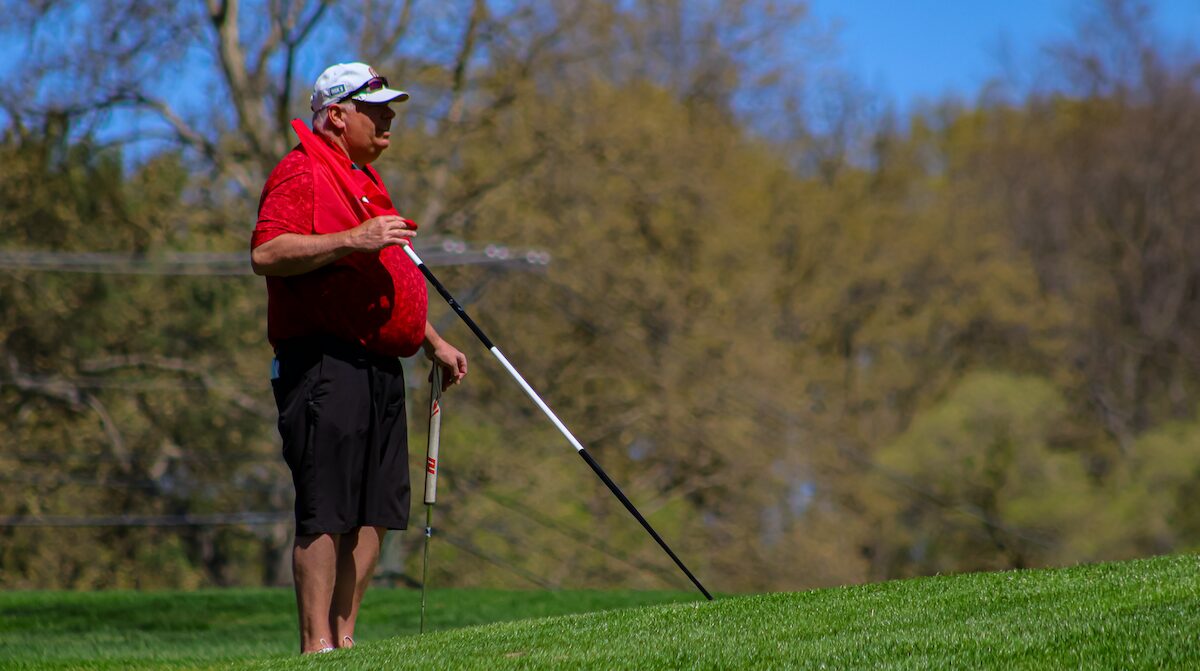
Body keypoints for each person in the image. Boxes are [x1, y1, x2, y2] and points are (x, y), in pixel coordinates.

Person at [250, 62, 468, 654]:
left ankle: (347, 640)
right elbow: (267, 251)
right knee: (327, 510)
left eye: (389, 107)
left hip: (379, 364)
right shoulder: (301, 172)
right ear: (338, 116)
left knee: (376, 507)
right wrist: (353, 238)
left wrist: (433, 341)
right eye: (376, 109)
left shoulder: (363, 181)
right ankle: (314, 645)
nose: (389, 117)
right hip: (323, 362)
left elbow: (380, 282)